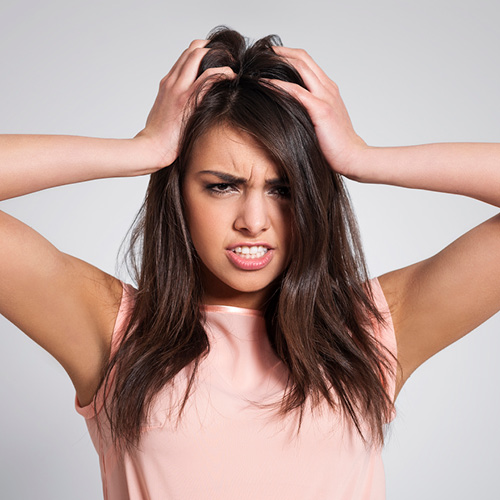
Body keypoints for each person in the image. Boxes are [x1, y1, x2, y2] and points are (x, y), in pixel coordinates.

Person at [1, 26, 499, 499]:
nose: (254, 220)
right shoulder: (113, 330)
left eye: (283, 190)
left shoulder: (369, 330)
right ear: (178, 192)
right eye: (223, 186)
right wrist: (142, 150)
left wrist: (362, 159)